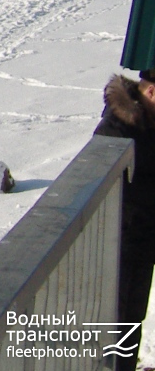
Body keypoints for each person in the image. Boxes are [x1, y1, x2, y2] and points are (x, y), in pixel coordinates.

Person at [95, 71, 155, 371]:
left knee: (133, 317)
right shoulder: (116, 129)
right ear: (152, 93)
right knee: (115, 321)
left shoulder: (149, 122)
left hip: (142, 242)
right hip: (117, 242)